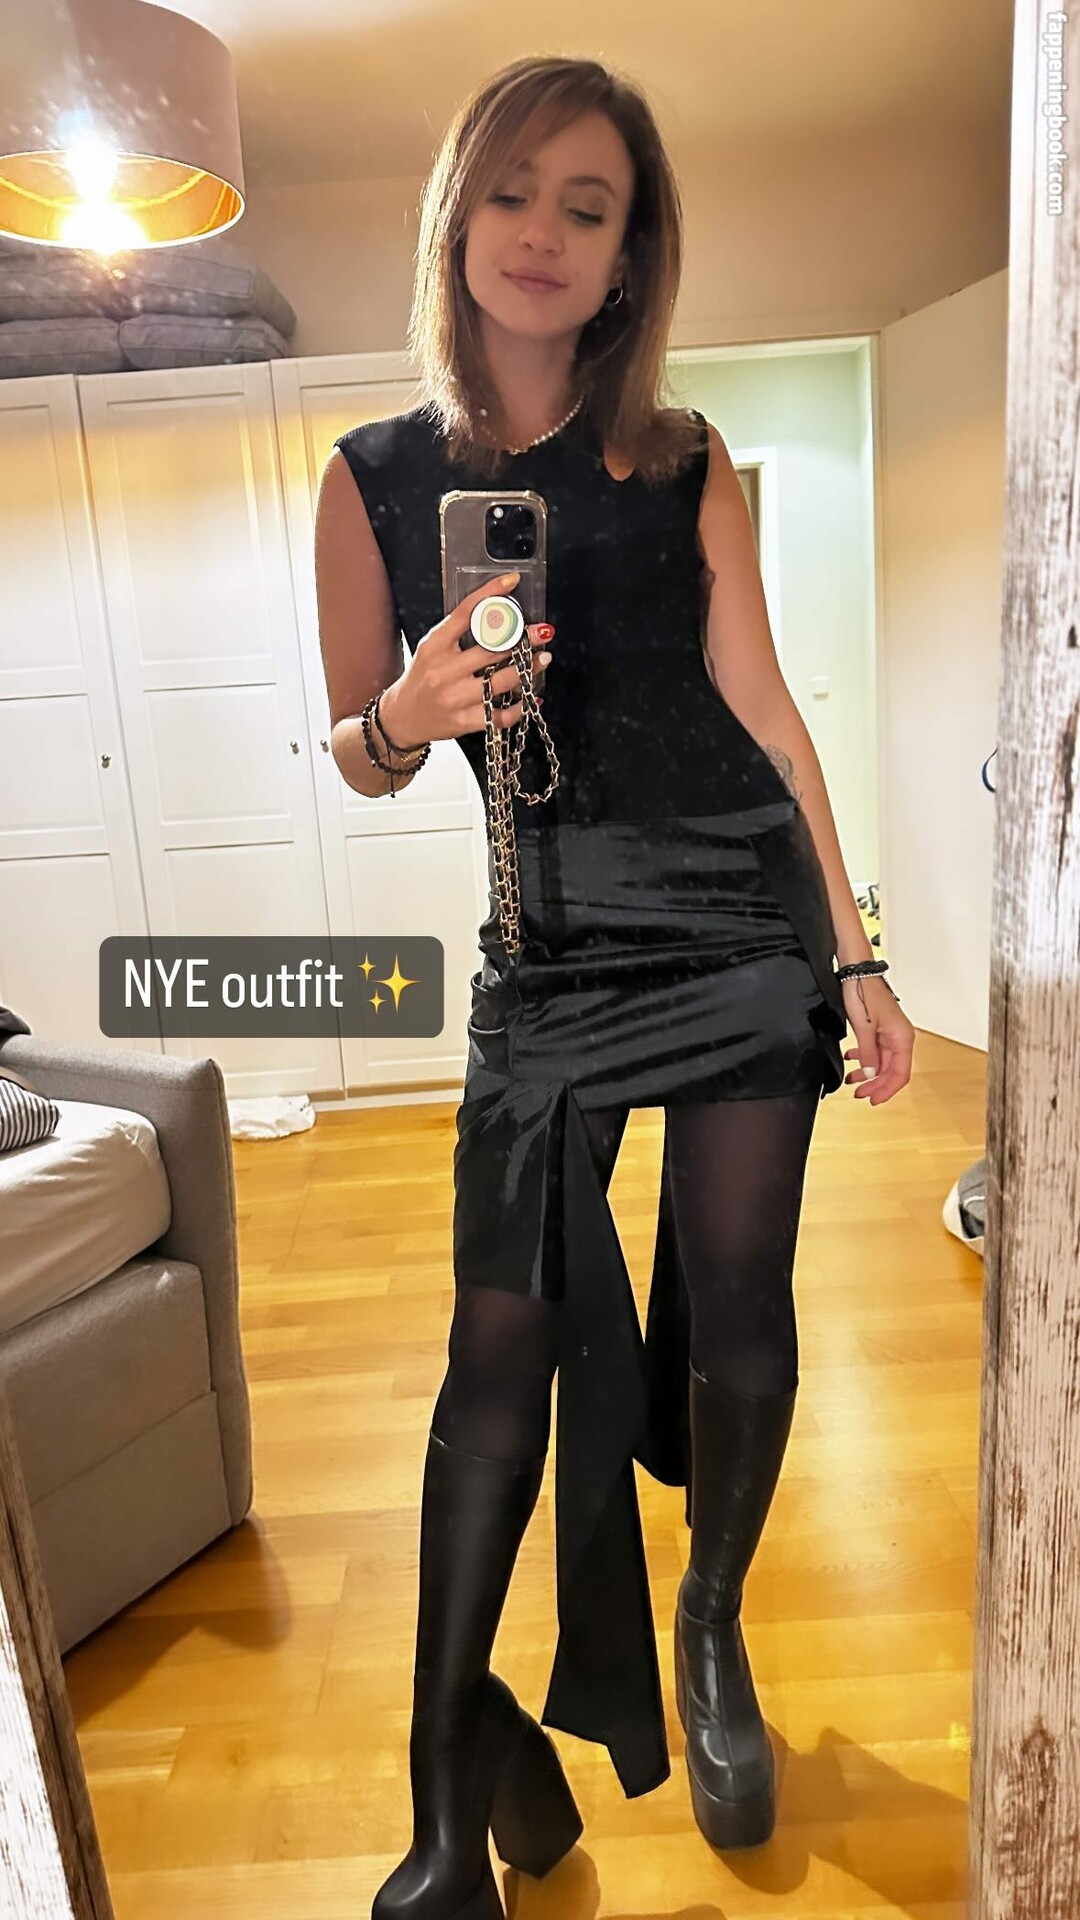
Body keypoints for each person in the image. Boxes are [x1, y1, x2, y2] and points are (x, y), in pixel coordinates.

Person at [315, 53, 916, 1920]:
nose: (545, 233)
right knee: (493, 1348)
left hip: (738, 932)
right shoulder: (372, 478)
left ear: (633, 251)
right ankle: (450, 1801)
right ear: (457, 215)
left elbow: (768, 708)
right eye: (514, 191)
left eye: (591, 206)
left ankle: (709, 1628)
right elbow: (354, 748)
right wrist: (407, 712)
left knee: (741, 1297)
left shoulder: (688, 458)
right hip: (547, 952)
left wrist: (854, 948)